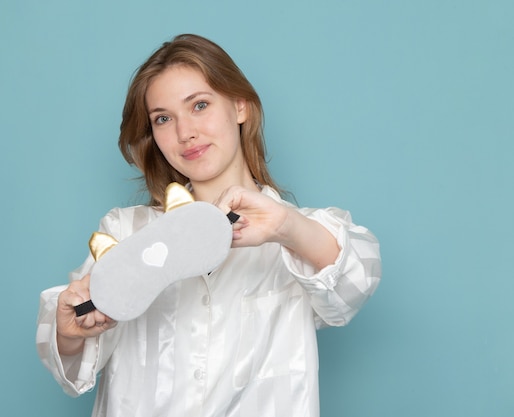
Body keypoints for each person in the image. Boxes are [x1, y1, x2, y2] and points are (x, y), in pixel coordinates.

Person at [36, 33, 381, 417]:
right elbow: (70, 357)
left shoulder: (298, 235)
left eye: (199, 105)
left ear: (240, 106)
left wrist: (285, 227)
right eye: (163, 119)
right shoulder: (125, 232)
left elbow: (355, 280)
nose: (185, 133)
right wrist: (69, 332)